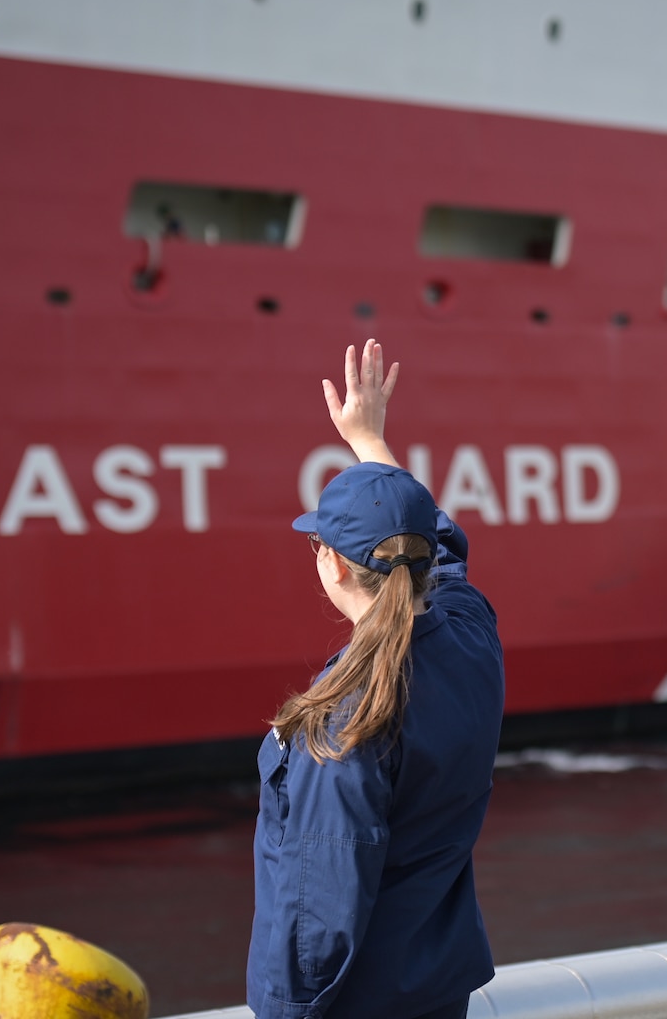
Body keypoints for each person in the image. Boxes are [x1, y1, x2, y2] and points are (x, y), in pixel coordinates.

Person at [247, 340, 505, 1019]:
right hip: (436, 995)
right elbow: (439, 550)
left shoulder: (341, 723)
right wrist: (371, 443)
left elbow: (317, 919)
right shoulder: (470, 636)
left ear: (328, 563)